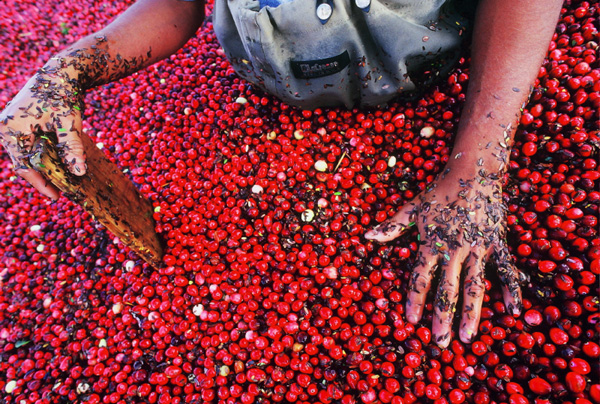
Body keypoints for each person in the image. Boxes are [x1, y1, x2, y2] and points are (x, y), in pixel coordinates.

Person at [0, 0, 563, 347]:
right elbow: (173, 3)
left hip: (434, 70)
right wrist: (68, 68)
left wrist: (479, 163)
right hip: (267, 82)